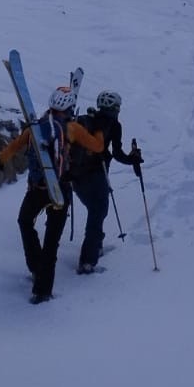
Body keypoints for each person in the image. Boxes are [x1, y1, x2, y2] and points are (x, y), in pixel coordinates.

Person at [0, 84, 104, 303]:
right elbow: (97, 147)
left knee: (25, 222)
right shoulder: (72, 128)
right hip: (60, 189)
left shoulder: (34, 128)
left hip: (37, 189)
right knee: (51, 242)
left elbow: (12, 148)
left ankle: (36, 267)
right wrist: (98, 127)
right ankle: (42, 291)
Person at [68, 89, 144, 275]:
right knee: (98, 211)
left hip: (75, 174)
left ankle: (96, 244)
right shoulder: (114, 125)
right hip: (97, 173)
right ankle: (88, 260)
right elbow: (117, 154)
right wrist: (132, 159)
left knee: (95, 210)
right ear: (115, 108)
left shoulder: (87, 119)